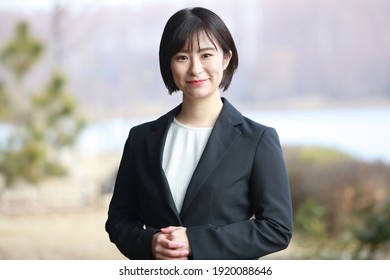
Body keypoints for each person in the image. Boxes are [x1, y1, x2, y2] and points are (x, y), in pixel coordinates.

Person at [105, 7, 293, 260]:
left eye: (206, 55)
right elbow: (119, 220)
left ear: (226, 59)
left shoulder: (257, 140)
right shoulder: (141, 140)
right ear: (169, 64)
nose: (195, 69)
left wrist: (195, 241)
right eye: (182, 57)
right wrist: (149, 243)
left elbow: (276, 228)